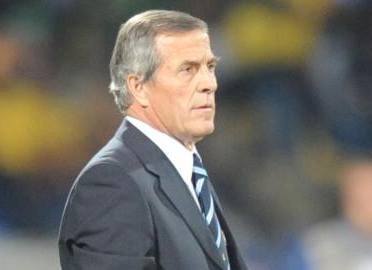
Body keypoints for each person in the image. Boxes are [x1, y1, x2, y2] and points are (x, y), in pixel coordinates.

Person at [58, 10, 247, 270]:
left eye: (210, 67)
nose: (209, 84)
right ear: (138, 87)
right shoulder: (111, 183)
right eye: (187, 69)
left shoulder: (189, 174)